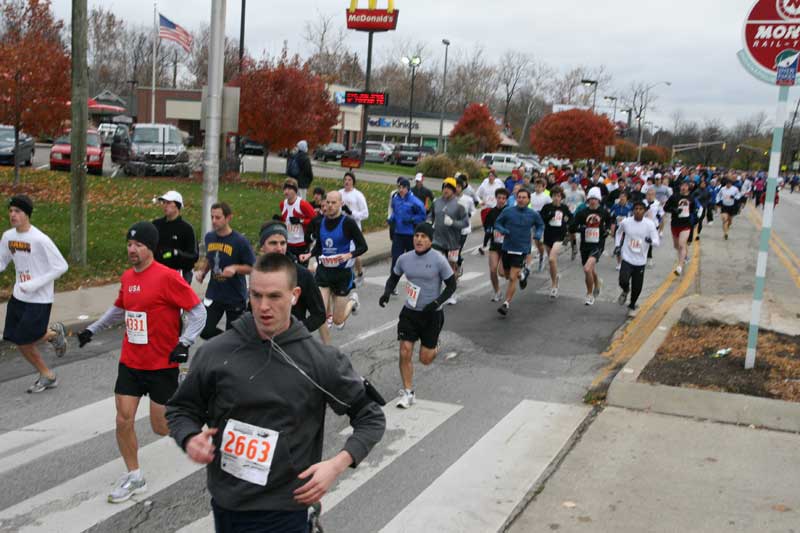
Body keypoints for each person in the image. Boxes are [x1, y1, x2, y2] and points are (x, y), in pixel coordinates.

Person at [166, 253, 385, 533]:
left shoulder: (319, 359)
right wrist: (189, 437)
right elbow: (181, 409)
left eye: (274, 296)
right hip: (227, 506)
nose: (263, 307)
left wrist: (338, 464)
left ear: (294, 295)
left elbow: (371, 417)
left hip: (286, 510)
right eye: (256, 296)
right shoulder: (216, 351)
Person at [78, 221, 206, 503]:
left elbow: (198, 312)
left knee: (160, 426)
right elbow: (119, 309)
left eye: (138, 245)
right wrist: (92, 329)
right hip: (131, 362)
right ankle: (135, 476)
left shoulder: (168, 277)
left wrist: (184, 343)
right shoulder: (127, 278)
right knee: (123, 419)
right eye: (129, 244)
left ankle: (196, 429)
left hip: (162, 364)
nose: (132, 249)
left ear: (152, 248)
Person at [379, 223, 457, 408]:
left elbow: (452, 286)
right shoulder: (404, 259)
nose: (419, 239)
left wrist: (437, 302)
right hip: (410, 313)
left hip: (432, 315)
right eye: (417, 235)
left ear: (430, 240)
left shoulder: (439, 260)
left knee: (425, 359)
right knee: (405, 351)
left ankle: (435, 345)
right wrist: (387, 292)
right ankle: (408, 392)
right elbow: (394, 277)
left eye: (424, 236)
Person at [0, 195, 68, 393]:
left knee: (24, 339)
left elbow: (61, 266)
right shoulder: (8, 237)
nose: (13, 215)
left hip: (39, 299)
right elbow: (2, 262)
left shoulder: (40, 239)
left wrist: (34, 284)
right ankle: (53, 337)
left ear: (27, 214)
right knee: (15, 337)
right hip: (19, 296)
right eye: (11, 211)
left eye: (18, 211)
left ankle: (48, 374)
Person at [300, 191, 367, 339]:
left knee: (338, 320)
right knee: (320, 313)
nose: (329, 206)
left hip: (342, 274)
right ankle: (326, 348)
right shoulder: (320, 222)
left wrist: (349, 255)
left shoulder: (348, 223)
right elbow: (319, 247)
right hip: (324, 272)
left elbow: (363, 246)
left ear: (341, 204)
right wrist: (309, 254)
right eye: (327, 203)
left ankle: (353, 301)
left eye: (333, 203)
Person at [196, 202, 256, 339]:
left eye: (218, 217)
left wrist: (235, 268)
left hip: (234, 296)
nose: (213, 221)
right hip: (214, 294)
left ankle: (231, 347)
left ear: (228, 218)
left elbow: (252, 267)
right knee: (205, 330)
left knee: (234, 333)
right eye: (212, 217)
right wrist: (203, 272)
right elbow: (210, 257)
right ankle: (226, 342)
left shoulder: (240, 241)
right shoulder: (209, 237)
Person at [259, 221, 326, 334]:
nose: (279, 248)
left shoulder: (302, 275)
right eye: (273, 243)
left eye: (283, 243)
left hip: (292, 344)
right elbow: (252, 311)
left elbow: (319, 315)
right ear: (262, 247)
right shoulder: (258, 275)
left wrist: (295, 331)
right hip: (264, 344)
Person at [493, 187, 544, 316]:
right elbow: (497, 223)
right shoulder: (508, 211)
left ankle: (506, 303)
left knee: (511, 278)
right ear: (516, 198)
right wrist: (502, 230)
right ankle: (522, 275)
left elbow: (540, 225)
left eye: (524, 197)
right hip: (507, 247)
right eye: (519, 197)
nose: (521, 200)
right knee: (503, 273)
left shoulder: (533, 214)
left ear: (528, 200)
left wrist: (538, 234)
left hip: (521, 249)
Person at [615, 201, 660, 317]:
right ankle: (625, 290)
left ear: (644, 211)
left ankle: (632, 305)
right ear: (633, 210)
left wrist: (650, 241)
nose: (638, 211)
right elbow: (618, 233)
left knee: (637, 286)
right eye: (636, 208)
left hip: (640, 261)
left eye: (641, 209)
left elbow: (657, 241)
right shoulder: (626, 222)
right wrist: (617, 245)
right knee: (623, 280)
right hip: (627, 257)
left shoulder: (649, 224)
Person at [428, 177, 469, 305]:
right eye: (444, 187)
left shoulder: (459, 206)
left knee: (451, 268)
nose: (446, 190)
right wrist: (429, 222)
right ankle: (436, 292)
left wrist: (453, 223)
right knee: (436, 267)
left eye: (449, 188)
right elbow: (430, 215)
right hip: (437, 241)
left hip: (453, 243)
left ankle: (452, 292)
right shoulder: (436, 202)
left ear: (453, 191)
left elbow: (465, 223)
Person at [570, 187, 612, 306]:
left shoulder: (603, 212)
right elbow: (572, 226)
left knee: (587, 268)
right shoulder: (582, 213)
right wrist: (580, 228)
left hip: (598, 245)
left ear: (598, 200)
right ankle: (597, 282)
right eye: (591, 199)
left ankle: (589, 294)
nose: (593, 201)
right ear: (588, 200)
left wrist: (607, 230)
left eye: (595, 199)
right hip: (585, 245)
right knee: (590, 270)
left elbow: (610, 221)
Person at [152, 190, 198, 285]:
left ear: (177, 206)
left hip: (179, 275)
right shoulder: (156, 225)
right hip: (158, 273)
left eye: (168, 203)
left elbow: (193, 256)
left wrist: (175, 253)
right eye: (163, 202)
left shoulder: (187, 229)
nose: (165, 205)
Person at [388, 177, 426, 276]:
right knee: (396, 258)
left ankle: (415, 279)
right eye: (399, 187)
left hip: (410, 234)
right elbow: (395, 212)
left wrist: (411, 219)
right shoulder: (395, 199)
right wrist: (391, 218)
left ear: (408, 188)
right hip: (398, 234)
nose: (401, 190)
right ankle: (392, 284)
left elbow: (422, 216)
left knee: (412, 259)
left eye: (403, 188)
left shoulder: (414, 201)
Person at [539, 187, 573, 299]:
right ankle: (555, 278)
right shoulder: (547, 207)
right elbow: (541, 219)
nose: (556, 198)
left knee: (552, 259)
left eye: (558, 196)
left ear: (561, 197)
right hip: (548, 235)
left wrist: (567, 224)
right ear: (552, 196)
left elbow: (571, 218)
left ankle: (554, 286)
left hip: (560, 236)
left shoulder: (564, 208)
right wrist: (550, 215)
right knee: (551, 262)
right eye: (554, 195)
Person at [664, 181, 701, 275]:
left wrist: (695, 220)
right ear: (680, 187)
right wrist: (674, 210)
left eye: (686, 186)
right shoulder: (674, 197)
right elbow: (665, 208)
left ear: (688, 188)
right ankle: (685, 256)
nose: (684, 187)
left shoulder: (691, 198)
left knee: (681, 244)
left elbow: (694, 210)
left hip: (686, 224)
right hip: (675, 224)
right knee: (676, 246)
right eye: (682, 186)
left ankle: (679, 266)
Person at [339, 172, 369, 286]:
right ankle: (346, 276)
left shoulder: (358, 195)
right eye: (345, 179)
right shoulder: (339, 193)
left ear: (353, 182)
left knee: (354, 253)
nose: (347, 182)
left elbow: (365, 214)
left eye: (349, 180)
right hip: (341, 227)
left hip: (354, 228)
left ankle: (359, 274)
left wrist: (351, 212)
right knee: (344, 251)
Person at [279, 178, 317, 265]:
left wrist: (301, 220)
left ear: (295, 190)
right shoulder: (282, 204)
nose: (286, 191)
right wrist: (279, 220)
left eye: (289, 189)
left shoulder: (302, 204)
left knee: (301, 271)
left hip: (301, 243)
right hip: (288, 242)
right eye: (285, 189)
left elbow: (315, 220)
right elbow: (286, 220)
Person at [484, 188, 510, 302]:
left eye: (503, 198)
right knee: (493, 270)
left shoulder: (509, 212)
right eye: (499, 198)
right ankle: (497, 291)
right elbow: (487, 227)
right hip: (494, 245)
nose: (501, 200)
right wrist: (489, 232)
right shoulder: (491, 212)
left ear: (506, 199)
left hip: (506, 246)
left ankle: (516, 274)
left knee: (502, 272)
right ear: (496, 198)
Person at [476, 169, 505, 254]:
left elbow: (504, 193)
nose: (490, 177)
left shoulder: (498, 185)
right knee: (487, 228)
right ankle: (487, 244)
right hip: (486, 209)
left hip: (495, 209)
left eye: (492, 176)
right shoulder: (484, 185)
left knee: (492, 227)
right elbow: (476, 195)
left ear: (495, 177)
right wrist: (480, 202)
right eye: (489, 176)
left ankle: (486, 246)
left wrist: (502, 203)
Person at [455, 177, 476, 277]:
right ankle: (456, 265)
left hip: (463, 230)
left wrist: (469, 215)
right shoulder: (450, 199)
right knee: (451, 252)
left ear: (462, 187)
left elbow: (473, 210)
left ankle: (458, 265)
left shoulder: (468, 200)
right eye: (455, 186)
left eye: (458, 187)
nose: (456, 188)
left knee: (457, 250)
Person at [609, 191, 633, 271]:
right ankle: (619, 263)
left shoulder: (630, 207)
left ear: (626, 198)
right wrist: (612, 228)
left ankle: (627, 261)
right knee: (618, 245)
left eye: (624, 197)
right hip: (617, 229)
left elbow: (633, 219)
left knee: (626, 246)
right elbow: (611, 217)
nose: (622, 198)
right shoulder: (615, 206)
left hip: (627, 229)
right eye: (621, 196)